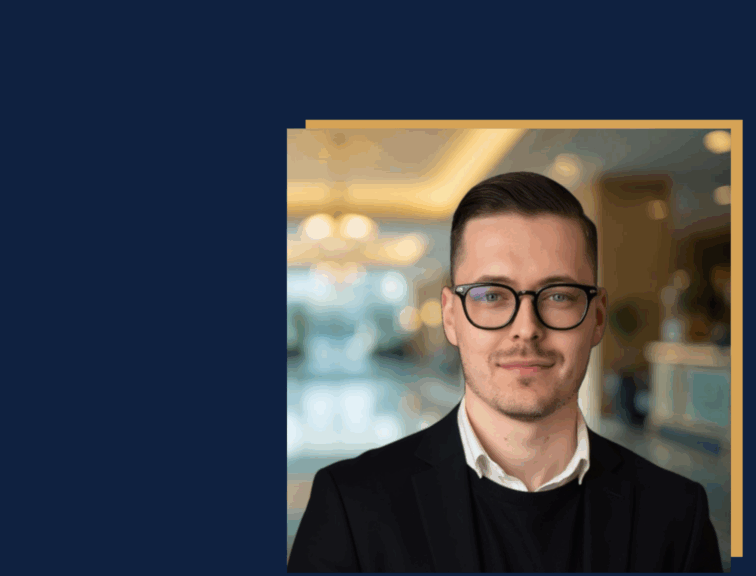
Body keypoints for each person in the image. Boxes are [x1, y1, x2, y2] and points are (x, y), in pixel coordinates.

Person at [288, 171, 723, 572]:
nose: (526, 329)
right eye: (492, 295)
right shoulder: (351, 506)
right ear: (450, 317)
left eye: (558, 295)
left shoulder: (676, 514)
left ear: (597, 317)